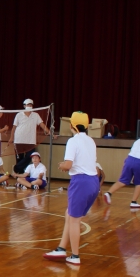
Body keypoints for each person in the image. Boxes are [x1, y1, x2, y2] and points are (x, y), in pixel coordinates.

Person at [43, 112, 99, 265]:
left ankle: (75, 256)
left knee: (74, 220)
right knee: (69, 214)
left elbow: (68, 165)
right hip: (93, 182)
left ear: (71, 126)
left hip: (81, 182)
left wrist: (62, 165)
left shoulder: (73, 141)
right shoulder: (91, 141)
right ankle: (61, 248)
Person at [105, 124, 140, 208]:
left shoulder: (138, 140)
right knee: (139, 183)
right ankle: (133, 202)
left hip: (129, 160)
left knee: (122, 181)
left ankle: (108, 193)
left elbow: (137, 153)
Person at [11, 99, 52, 175]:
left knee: (30, 156)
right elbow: (14, 127)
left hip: (30, 141)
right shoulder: (19, 115)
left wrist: (50, 133)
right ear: (24, 106)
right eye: (27, 105)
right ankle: (20, 175)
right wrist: (11, 137)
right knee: (19, 158)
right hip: (19, 140)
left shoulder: (36, 115)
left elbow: (42, 125)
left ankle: (15, 169)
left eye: (30, 105)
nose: (29, 106)